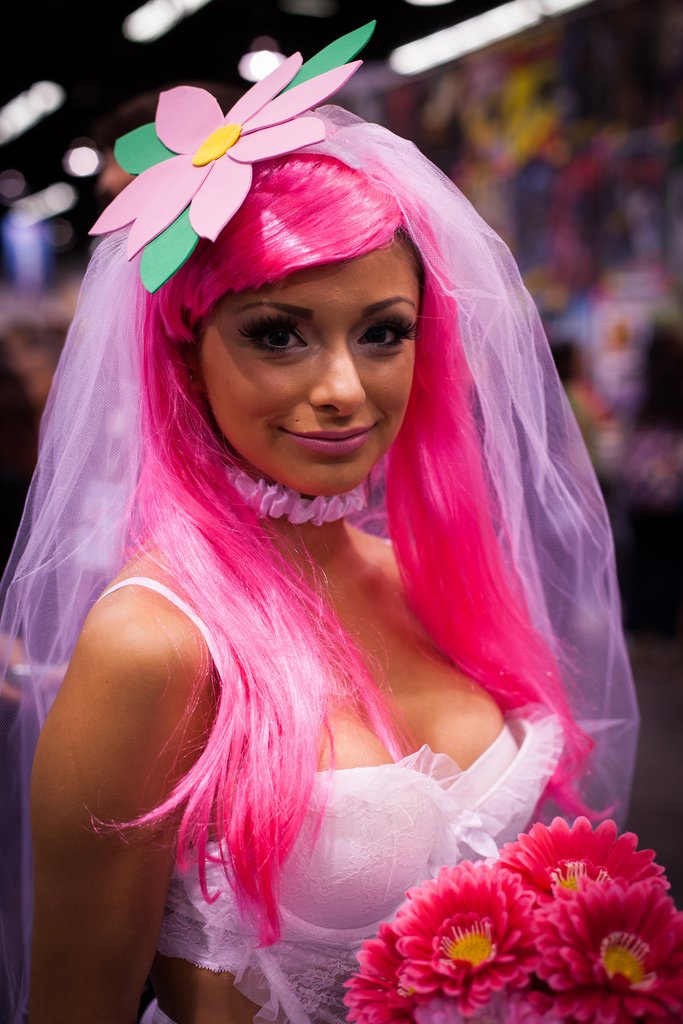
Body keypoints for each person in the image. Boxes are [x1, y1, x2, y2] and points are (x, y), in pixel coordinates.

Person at [0, 23, 638, 1024]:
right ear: (187, 354)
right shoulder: (156, 645)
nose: (343, 388)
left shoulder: (425, 576)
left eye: (381, 332)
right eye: (278, 334)